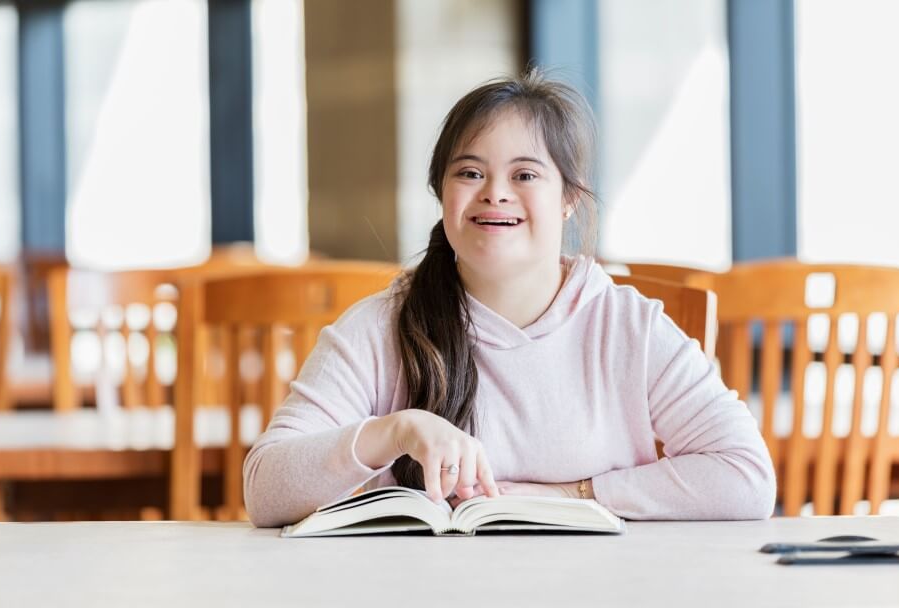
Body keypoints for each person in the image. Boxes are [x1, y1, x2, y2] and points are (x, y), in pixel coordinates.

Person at [244, 70, 776, 527]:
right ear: (442, 195)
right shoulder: (382, 325)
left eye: (524, 174)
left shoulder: (628, 326)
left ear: (569, 199)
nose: (495, 193)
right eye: (470, 173)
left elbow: (746, 476)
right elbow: (264, 490)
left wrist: (572, 497)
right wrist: (395, 431)